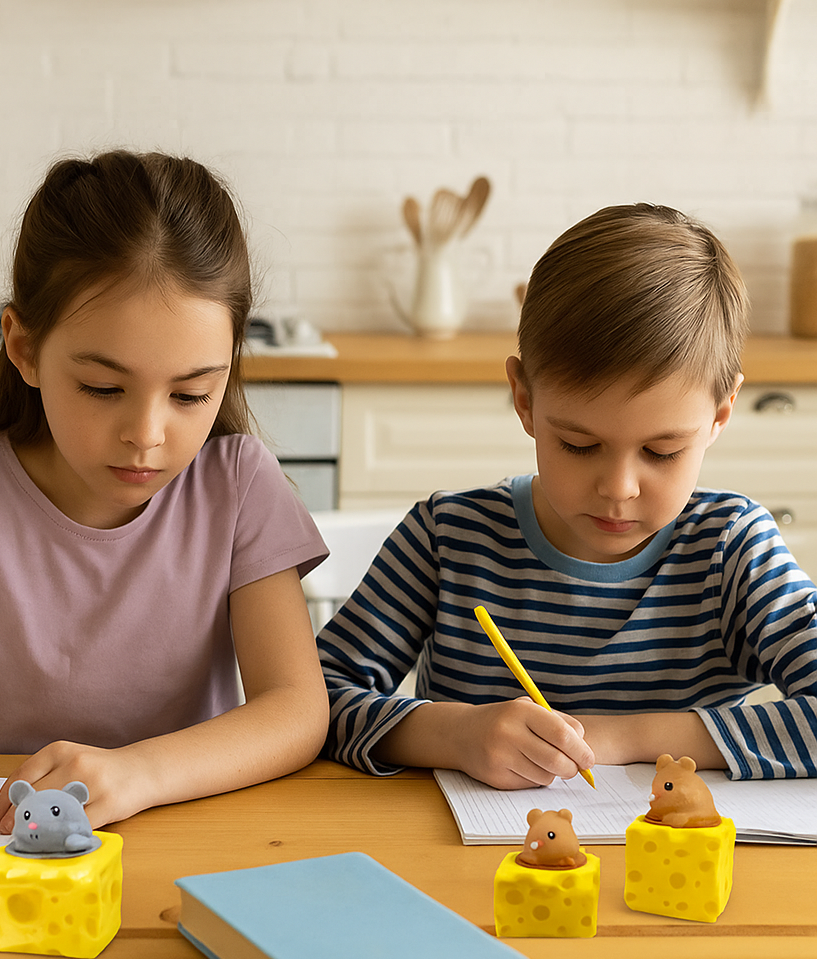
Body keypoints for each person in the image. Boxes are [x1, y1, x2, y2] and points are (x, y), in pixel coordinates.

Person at [0, 150, 330, 831]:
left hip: (182, 839)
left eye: (193, 392)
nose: (146, 434)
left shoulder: (240, 487)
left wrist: (140, 774)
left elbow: (297, 710)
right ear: (22, 347)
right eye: (103, 388)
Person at [320, 203, 817, 788]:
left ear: (720, 414)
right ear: (524, 399)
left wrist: (618, 738)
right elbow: (309, 705)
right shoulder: (448, 538)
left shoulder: (730, 551)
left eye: (661, 452)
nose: (619, 489)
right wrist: (456, 735)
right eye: (579, 445)